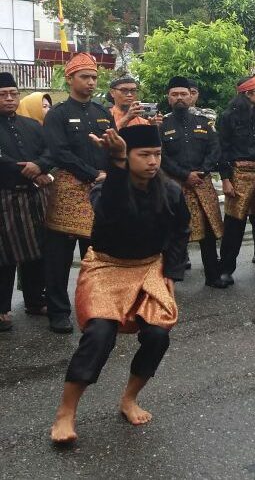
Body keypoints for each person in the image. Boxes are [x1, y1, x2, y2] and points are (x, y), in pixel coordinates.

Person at [49, 124, 190, 444]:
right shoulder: (105, 188)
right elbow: (111, 211)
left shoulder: (170, 191)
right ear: (127, 156)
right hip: (106, 267)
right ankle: (66, 412)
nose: (153, 161)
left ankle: (129, 399)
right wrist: (113, 164)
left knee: (157, 335)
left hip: (149, 268)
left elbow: (181, 230)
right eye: (144, 155)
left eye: (157, 154)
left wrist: (171, 270)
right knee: (100, 333)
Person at [42, 53, 114, 334]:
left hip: (101, 190)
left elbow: (113, 146)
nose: (90, 82)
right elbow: (59, 152)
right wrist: (92, 173)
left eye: (94, 77)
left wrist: (111, 175)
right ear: (70, 78)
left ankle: (94, 308)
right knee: (59, 256)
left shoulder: (102, 113)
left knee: (96, 254)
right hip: (68, 189)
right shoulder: (57, 114)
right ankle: (58, 312)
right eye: (84, 76)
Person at [159, 76, 225, 288]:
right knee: (173, 234)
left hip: (202, 184)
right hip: (175, 186)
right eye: (175, 94)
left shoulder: (204, 123)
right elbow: (161, 156)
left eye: (183, 94)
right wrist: (184, 175)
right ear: (168, 98)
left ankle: (213, 277)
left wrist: (202, 172)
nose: (179, 98)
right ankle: (169, 281)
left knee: (208, 233)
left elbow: (215, 149)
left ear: (191, 97)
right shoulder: (161, 126)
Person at [0, 72, 52, 331]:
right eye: (2, 94)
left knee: (37, 250)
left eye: (13, 93)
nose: (9, 98)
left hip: (35, 198)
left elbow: (50, 150)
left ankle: (34, 300)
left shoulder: (31, 125)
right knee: (4, 256)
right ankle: (1, 309)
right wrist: (29, 170)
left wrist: (40, 165)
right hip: (5, 198)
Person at [216, 75, 255, 286]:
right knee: (234, 225)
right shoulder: (227, 116)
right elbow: (222, 148)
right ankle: (226, 269)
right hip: (238, 173)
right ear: (248, 94)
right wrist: (225, 179)